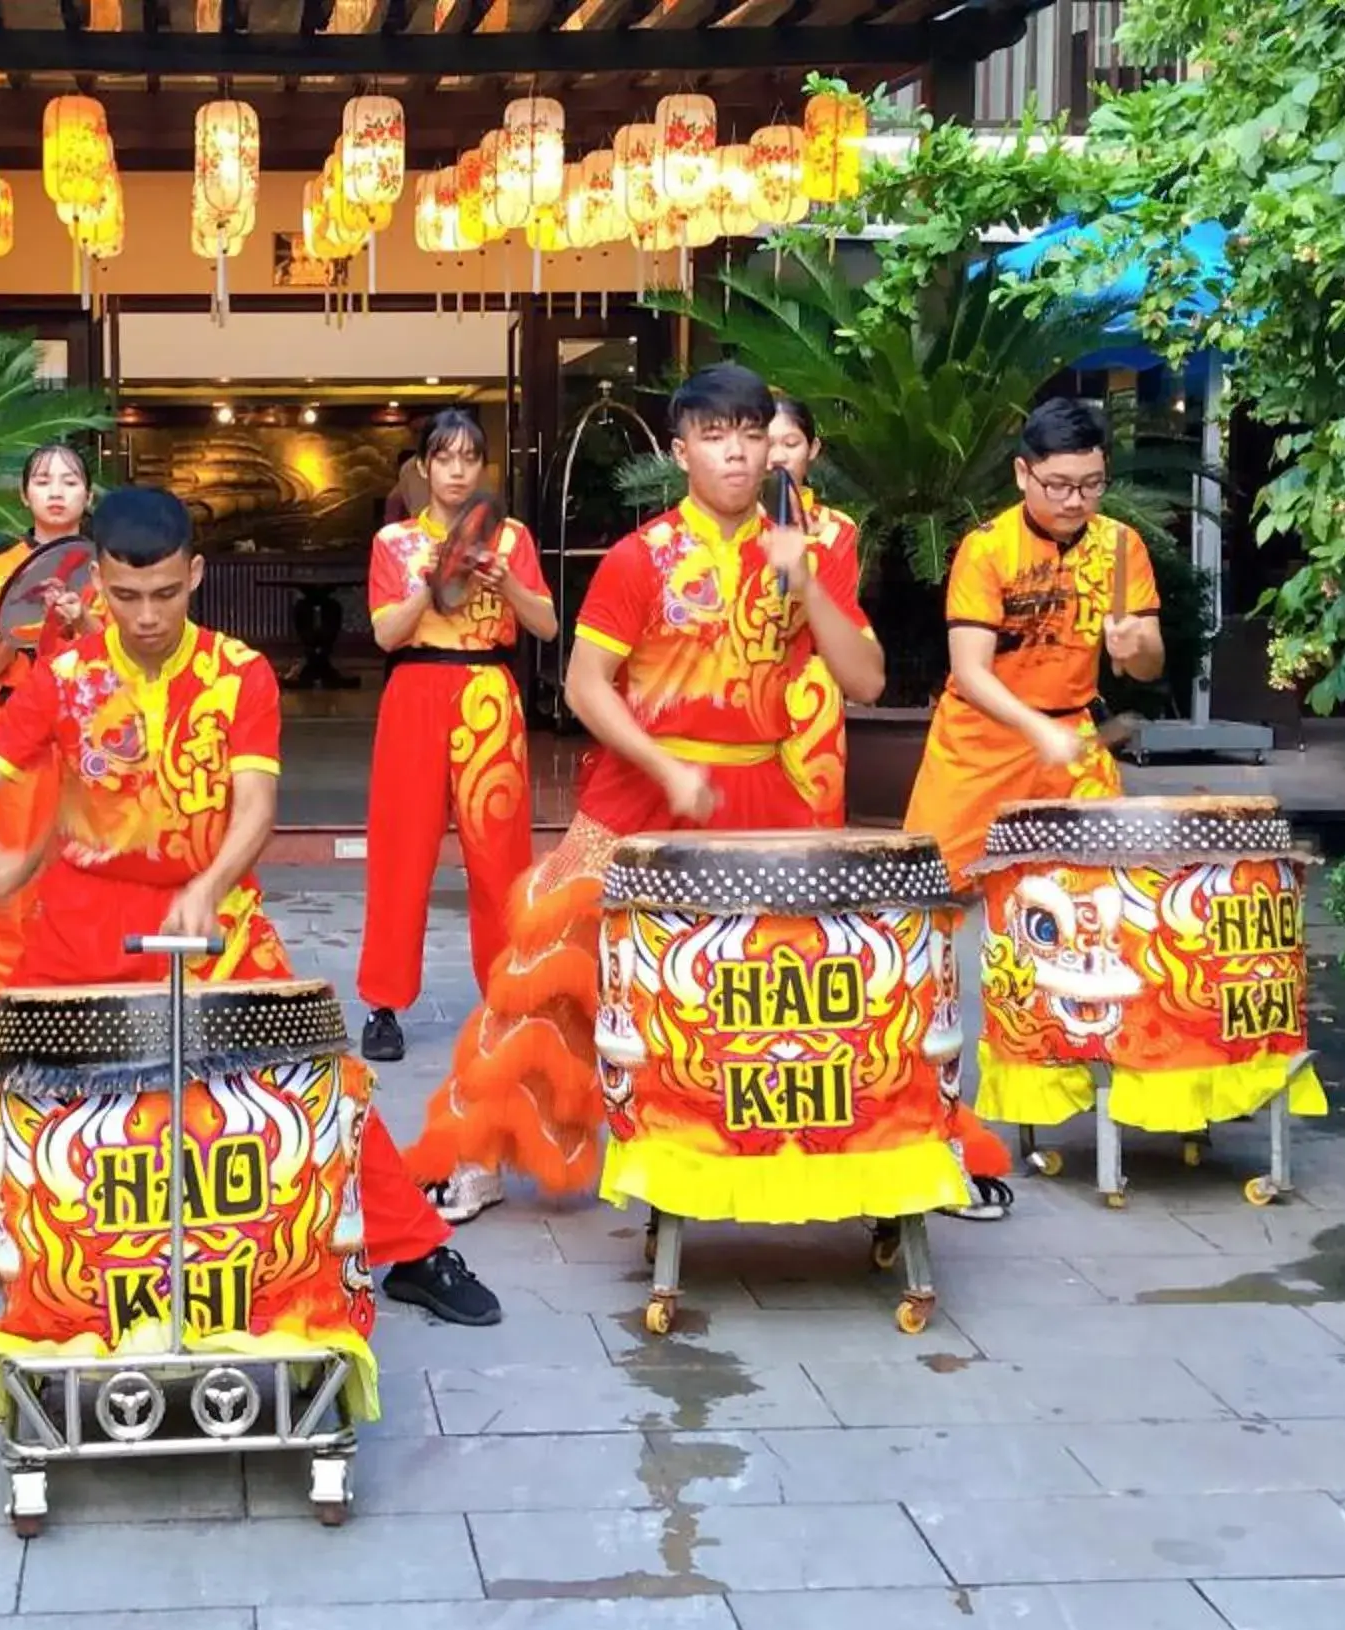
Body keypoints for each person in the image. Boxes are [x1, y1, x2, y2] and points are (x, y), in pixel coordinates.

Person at [0, 485, 503, 1358]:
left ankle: (413, 1251)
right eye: (124, 596)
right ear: (98, 582)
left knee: (319, 1076)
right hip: (80, 921)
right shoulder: (65, 677)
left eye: (164, 594)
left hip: (214, 914)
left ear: (195, 575)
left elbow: (256, 806)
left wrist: (212, 882)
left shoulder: (239, 672)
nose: (146, 616)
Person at [402, 368, 1012, 1211]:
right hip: (640, 788)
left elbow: (867, 680)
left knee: (827, 974)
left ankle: (905, 1154)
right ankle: (484, 1152)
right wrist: (665, 769)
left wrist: (806, 584)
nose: (736, 452)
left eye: (752, 435)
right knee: (550, 956)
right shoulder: (641, 556)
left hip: (763, 788)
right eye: (715, 436)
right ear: (681, 451)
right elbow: (585, 687)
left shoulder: (813, 548)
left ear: (772, 450)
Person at [356, 412, 558, 1226]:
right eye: (445, 457)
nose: (458, 470)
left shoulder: (512, 539)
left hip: (488, 693)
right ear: (423, 467)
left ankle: (505, 998)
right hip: (415, 691)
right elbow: (384, 634)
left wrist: (502, 583)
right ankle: (383, 1003)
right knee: (400, 854)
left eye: (472, 457)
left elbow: (545, 625)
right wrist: (433, 578)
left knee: (500, 862)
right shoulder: (394, 542)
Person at [903, 397, 1166, 881]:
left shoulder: (1121, 545)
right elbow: (969, 671)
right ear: (1023, 474)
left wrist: (1138, 647)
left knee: (1100, 887)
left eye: (1091, 485)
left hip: (1074, 740)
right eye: (1058, 485)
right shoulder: (987, 548)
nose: (1075, 500)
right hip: (979, 741)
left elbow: (1150, 666)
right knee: (932, 884)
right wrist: (1037, 728)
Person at [0, 443, 99, 1004]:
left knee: (95, 863)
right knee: (18, 868)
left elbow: (119, 658)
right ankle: (6, 996)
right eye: (43, 481)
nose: (57, 491)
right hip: (19, 735)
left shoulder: (110, 569)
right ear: (24, 495)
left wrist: (81, 619)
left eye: (69, 481)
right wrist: (20, 616)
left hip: (93, 732)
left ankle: (93, 992)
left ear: (88, 496)